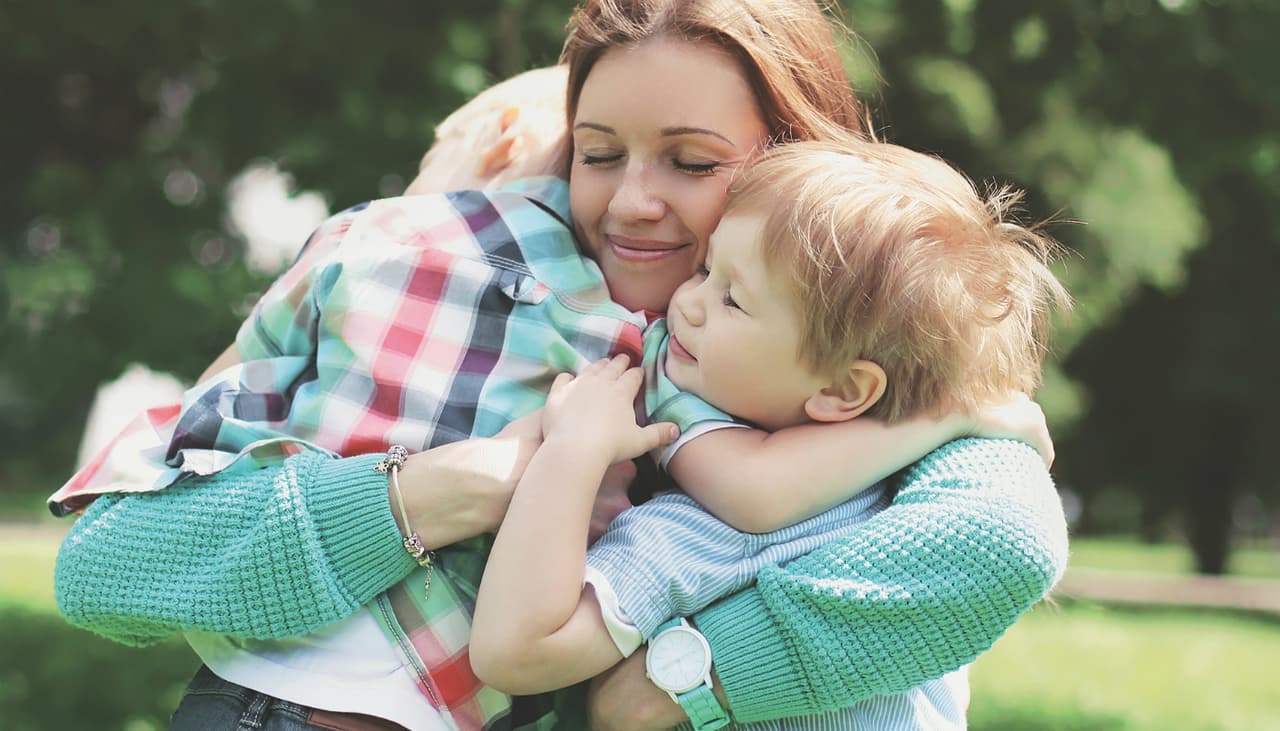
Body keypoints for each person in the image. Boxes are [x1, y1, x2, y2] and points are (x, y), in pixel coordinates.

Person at [50, 1, 1069, 729]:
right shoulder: (435, 267)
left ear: (800, 166)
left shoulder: (884, 336)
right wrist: (446, 489)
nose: (630, 201)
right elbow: (105, 564)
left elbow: (999, 539)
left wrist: (682, 678)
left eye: (694, 161)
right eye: (594, 153)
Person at [469, 137, 1070, 729]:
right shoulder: (916, 500)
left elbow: (516, 651)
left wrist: (573, 450)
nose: (691, 303)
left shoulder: (716, 533)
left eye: (733, 299)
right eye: (706, 268)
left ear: (843, 392)